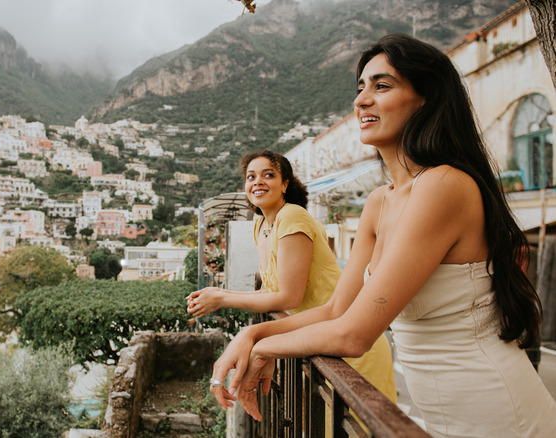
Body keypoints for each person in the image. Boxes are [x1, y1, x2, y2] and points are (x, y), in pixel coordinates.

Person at [208, 34, 556, 437]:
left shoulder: (444, 185)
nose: (361, 100)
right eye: (361, 88)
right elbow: (338, 308)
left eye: (382, 86)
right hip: (438, 417)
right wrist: (252, 332)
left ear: (427, 98)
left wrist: (262, 348)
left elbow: (353, 334)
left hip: (498, 414)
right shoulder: (379, 202)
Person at [188, 150, 397, 403]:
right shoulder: (262, 225)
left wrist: (222, 299)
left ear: (285, 184)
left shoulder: (292, 216)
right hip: (315, 337)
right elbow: (270, 292)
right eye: (250, 177)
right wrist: (218, 294)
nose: (258, 182)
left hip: (349, 339)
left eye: (269, 175)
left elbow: (289, 297)